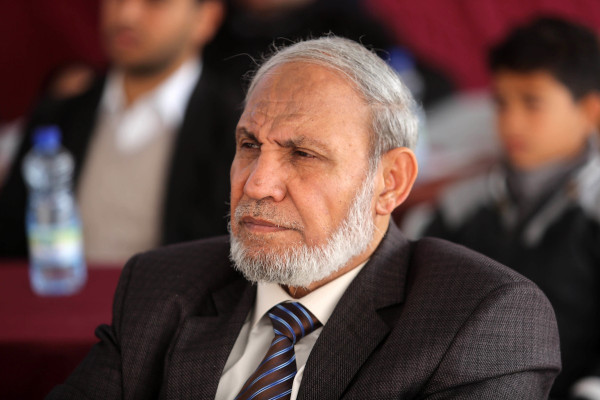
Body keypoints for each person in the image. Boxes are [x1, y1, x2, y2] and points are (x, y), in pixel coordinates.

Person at [46, 37, 560, 399]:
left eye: (303, 154)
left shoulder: (481, 319)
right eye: (250, 145)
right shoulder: (158, 286)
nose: (257, 184)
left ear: (390, 182)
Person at [411, 17, 600, 400]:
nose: (511, 121)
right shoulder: (456, 208)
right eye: (501, 102)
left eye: (532, 102)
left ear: (591, 111)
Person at [0, 0, 241, 263]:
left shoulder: (237, 130)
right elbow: (11, 238)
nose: (127, 15)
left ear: (206, 18)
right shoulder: (59, 113)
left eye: (155, 3)